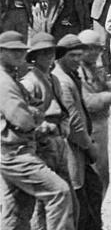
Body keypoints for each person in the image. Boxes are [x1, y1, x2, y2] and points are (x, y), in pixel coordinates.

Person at [0, 31, 76, 230]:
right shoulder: (5, 82)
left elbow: (33, 109)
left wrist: (33, 112)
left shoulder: (12, 78)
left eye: (21, 51)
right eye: (13, 51)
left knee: (17, 211)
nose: (19, 55)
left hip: (16, 151)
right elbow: (23, 119)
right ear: (0, 53)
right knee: (59, 192)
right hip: (16, 153)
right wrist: (35, 114)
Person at [20, 33, 73, 230]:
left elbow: (63, 107)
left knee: (63, 196)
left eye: (51, 53)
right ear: (34, 57)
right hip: (41, 145)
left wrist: (64, 125)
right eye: (44, 54)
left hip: (58, 142)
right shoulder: (29, 83)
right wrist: (43, 129)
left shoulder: (54, 79)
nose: (49, 57)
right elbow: (22, 119)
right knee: (42, 202)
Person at [52, 34, 104, 229]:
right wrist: (89, 146)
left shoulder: (71, 76)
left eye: (79, 55)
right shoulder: (63, 81)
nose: (77, 60)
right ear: (60, 56)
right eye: (72, 56)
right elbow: (74, 123)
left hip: (79, 148)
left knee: (94, 191)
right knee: (80, 202)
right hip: (73, 150)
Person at [77, 29, 111, 197]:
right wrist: (109, 96)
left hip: (101, 126)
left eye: (98, 49)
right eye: (90, 48)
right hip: (88, 128)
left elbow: (108, 89)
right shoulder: (77, 72)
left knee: (102, 175)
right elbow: (88, 102)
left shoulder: (95, 69)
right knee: (93, 178)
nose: (94, 52)